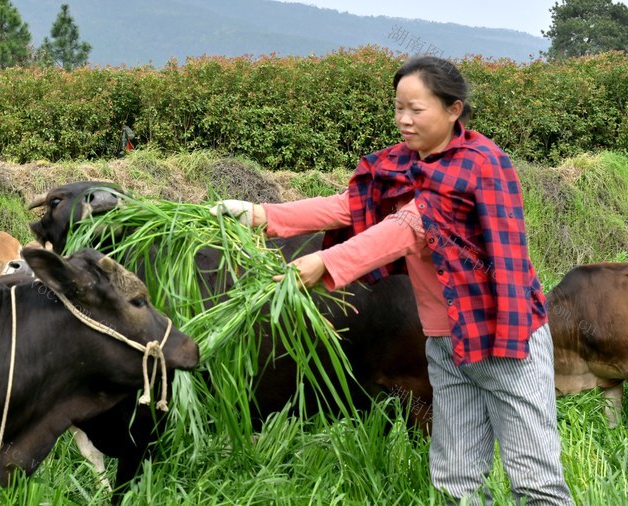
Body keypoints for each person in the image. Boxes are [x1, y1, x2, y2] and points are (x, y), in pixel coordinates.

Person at [211, 55, 572, 505]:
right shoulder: (403, 164)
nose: (403, 119)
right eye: (398, 108)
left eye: (416, 110)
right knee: (455, 480)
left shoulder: (481, 163)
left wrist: (327, 262)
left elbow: (411, 224)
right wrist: (263, 215)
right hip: (445, 344)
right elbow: (350, 206)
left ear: (453, 110)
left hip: (504, 337)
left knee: (534, 481)